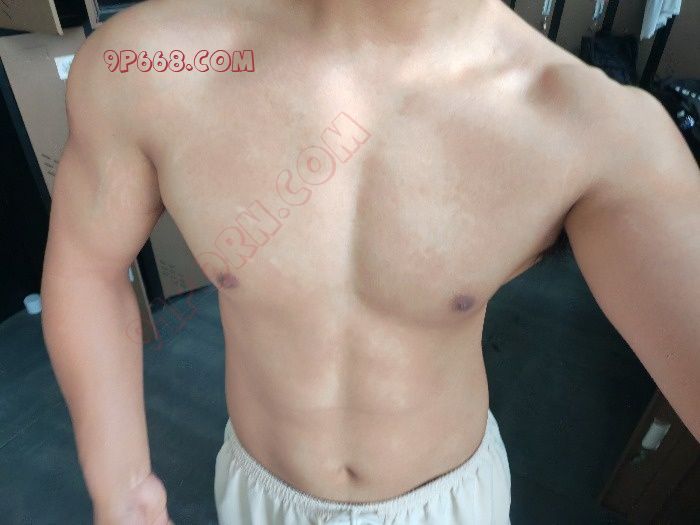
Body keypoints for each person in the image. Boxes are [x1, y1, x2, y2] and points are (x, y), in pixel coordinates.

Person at [40, 0, 700, 523]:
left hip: (444, 506)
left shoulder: (595, 132)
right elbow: (88, 267)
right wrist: (124, 491)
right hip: (259, 496)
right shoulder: (150, 66)